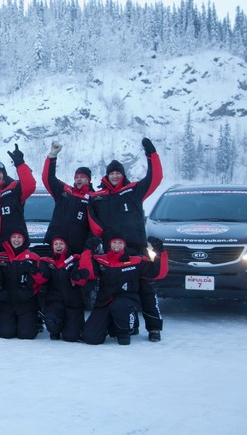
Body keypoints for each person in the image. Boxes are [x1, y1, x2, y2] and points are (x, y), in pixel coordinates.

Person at [88, 137, 164, 341]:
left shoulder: (134, 191)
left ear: (123, 175)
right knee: (115, 290)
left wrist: (151, 154)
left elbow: (155, 177)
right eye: (112, 173)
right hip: (112, 252)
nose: (115, 176)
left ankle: (154, 328)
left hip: (136, 248)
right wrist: (100, 240)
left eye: (118, 173)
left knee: (146, 288)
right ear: (107, 175)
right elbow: (92, 221)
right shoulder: (98, 197)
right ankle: (127, 324)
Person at [78, 236, 168, 345]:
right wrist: (88, 250)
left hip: (126, 300)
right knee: (91, 338)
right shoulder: (101, 259)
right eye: (114, 242)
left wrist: (159, 251)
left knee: (119, 306)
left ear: (124, 245)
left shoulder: (136, 260)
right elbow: (90, 273)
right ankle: (109, 325)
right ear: (109, 245)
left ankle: (126, 330)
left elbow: (158, 273)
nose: (117, 245)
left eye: (120, 243)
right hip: (104, 301)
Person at [0, 144, 36, 253]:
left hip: (13, 243)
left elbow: (30, 185)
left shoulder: (14, 188)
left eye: (0, 173)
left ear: (4, 174)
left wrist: (20, 164)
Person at [0, 231, 47, 339]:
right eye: (14, 237)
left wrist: (30, 291)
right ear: (9, 239)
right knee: (5, 334)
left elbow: (40, 280)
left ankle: (34, 319)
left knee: (27, 334)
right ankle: (2, 319)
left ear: (24, 239)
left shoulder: (33, 257)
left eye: (19, 237)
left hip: (25, 300)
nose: (16, 240)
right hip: (7, 300)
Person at [42, 141, 92, 254]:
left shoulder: (93, 198)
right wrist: (52, 156)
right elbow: (48, 179)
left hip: (77, 247)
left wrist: (90, 245)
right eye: (77, 177)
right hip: (56, 244)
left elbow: (94, 226)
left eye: (82, 177)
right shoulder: (65, 191)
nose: (79, 179)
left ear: (89, 180)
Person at [38, 237, 88, 342]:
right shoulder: (46, 261)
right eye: (56, 244)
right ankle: (56, 330)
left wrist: (80, 275)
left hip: (73, 302)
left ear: (66, 246)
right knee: (52, 323)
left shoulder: (75, 260)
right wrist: (35, 273)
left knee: (71, 337)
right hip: (54, 301)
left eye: (61, 244)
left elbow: (83, 279)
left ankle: (70, 325)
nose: (58, 246)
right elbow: (41, 279)